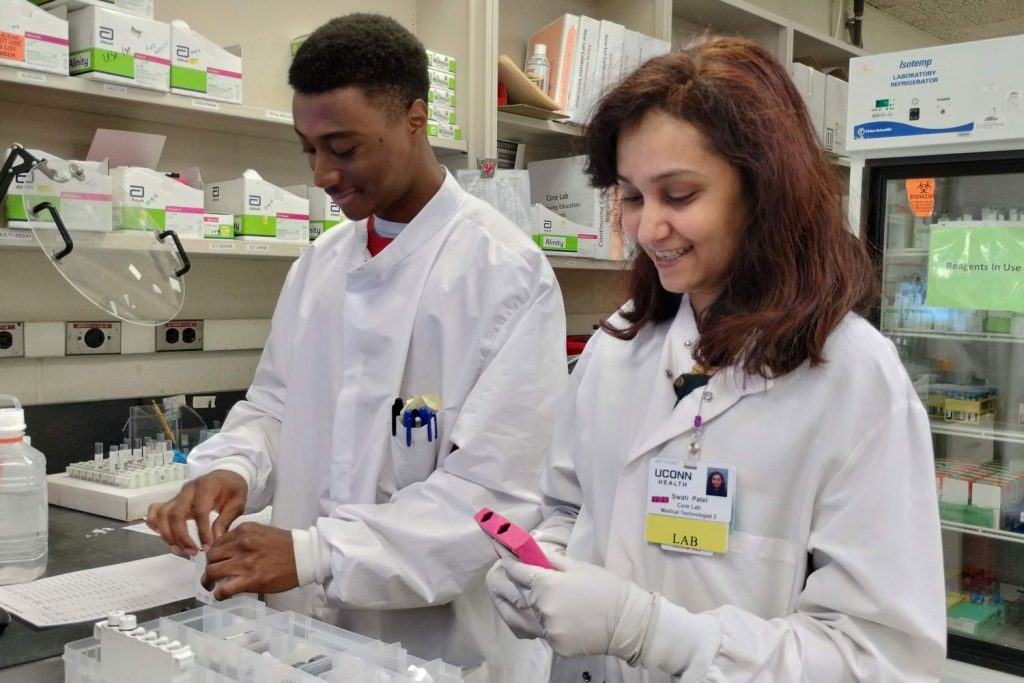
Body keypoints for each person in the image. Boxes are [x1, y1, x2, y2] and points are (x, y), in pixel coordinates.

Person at [486, 36, 946, 682]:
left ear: (762, 193)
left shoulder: (855, 381)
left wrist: (657, 633)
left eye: (678, 196)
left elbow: (879, 658)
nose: (647, 231)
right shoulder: (618, 346)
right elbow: (567, 503)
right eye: (632, 197)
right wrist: (540, 563)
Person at [147, 13, 567, 681]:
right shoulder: (318, 266)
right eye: (308, 148)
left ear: (415, 119)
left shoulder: (505, 276)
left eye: (342, 147)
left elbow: (493, 499)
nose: (321, 173)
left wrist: (317, 554)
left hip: (444, 650)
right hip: (303, 641)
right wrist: (233, 467)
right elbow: (276, 406)